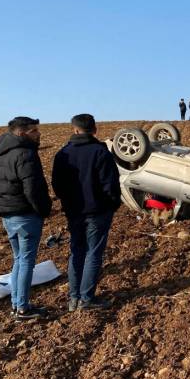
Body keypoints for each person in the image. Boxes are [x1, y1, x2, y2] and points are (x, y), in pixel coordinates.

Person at [52, 114, 121, 311]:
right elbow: (111, 184)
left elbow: (57, 185)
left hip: (74, 212)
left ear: (74, 130)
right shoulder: (101, 152)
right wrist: (112, 205)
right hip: (98, 212)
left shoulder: (63, 154)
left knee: (77, 251)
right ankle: (87, 298)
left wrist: (68, 203)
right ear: (95, 129)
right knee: (93, 253)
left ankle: (73, 298)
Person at [0, 117, 52, 320]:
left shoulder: (0, 153)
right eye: (35, 131)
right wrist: (44, 209)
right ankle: (23, 308)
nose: (38, 134)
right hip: (25, 215)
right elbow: (32, 188)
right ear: (22, 133)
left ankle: (17, 304)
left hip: (8, 215)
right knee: (26, 262)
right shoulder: (26, 153)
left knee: (19, 259)